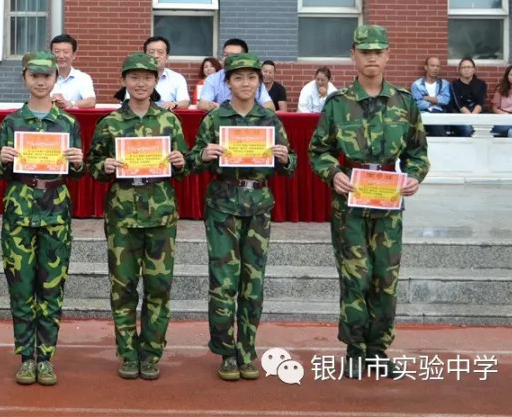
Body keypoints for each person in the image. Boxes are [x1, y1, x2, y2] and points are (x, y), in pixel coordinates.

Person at [308, 25, 428, 380]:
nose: (372, 57)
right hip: (351, 207)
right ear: (353, 55)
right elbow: (319, 150)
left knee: (385, 279)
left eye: (378, 51)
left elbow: (418, 152)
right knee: (355, 278)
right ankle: (355, 350)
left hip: (389, 204)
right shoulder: (338, 103)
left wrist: (415, 176)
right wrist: (333, 173)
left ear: (388, 55)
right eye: (365, 51)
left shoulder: (404, 102)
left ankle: (378, 350)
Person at [188, 53, 296, 381]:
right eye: (238, 78)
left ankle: (246, 349)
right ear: (228, 82)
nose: (245, 84)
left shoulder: (270, 119)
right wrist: (204, 155)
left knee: (253, 284)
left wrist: (283, 158)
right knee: (223, 283)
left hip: (259, 206)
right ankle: (225, 351)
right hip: (222, 205)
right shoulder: (215, 118)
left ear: (259, 82)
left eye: (251, 78)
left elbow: (291, 165)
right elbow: (192, 160)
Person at [86, 53, 188, 381]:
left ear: (156, 81)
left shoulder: (169, 122)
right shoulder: (111, 123)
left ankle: (152, 352)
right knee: (123, 288)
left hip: (160, 216)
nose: (141, 83)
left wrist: (180, 161)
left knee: (159, 287)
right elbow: (91, 165)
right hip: (122, 217)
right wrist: (104, 166)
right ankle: (128, 353)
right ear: (125, 81)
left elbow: (186, 165)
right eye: (134, 77)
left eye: (147, 77)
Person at [0, 51, 84, 387]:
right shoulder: (11, 123)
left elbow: (78, 173)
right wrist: (1, 158)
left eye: (47, 76)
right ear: (24, 78)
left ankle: (45, 358)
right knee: (21, 288)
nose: (41, 82)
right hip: (19, 211)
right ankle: (25, 357)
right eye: (34, 76)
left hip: (56, 212)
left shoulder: (69, 124)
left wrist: (77, 162)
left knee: (52, 287)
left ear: (56, 79)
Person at [198, 39, 274, 112]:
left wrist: (248, 111)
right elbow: (202, 104)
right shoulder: (213, 79)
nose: (228, 59)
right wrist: (216, 107)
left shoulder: (253, 79)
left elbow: (269, 106)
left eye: (234, 56)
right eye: (225, 55)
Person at [50, 34, 96, 110]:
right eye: (57, 51)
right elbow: (33, 101)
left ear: (74, 55)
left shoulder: (83, 78)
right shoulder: (42, 76)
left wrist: (70, 104)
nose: (61, 56)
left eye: (66, 52)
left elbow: (91, 102)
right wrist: (49, 101)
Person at [143, 36, 190, 110]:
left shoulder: (177, 78)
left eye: (160, 52)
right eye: (151, 52)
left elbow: (185, 103)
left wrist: (174, 104)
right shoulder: (134, 77)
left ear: (167, 57)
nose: (155, 56)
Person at [410, 57, 451, 137]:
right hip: (424, 114)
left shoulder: (445, 84)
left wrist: (428, 98)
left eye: (437, 66)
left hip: (440, 114)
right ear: (426, 67)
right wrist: (435, 102)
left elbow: (446, 100)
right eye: (432, 66)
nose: (435, 68)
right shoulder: (417, 85)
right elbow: (417, 104)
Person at [448, 57, 486, 137]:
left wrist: (473, 117)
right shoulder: (455, 84)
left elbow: (480, 103)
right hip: (460, 115)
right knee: (468, 128)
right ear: (459, 70)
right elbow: (459, 105)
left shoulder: (481, 84)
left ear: (474, 69)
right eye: (463, 67)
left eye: (469, 67)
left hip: (477, 114)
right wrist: (470, 119)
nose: (466, 70)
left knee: (483, 128)